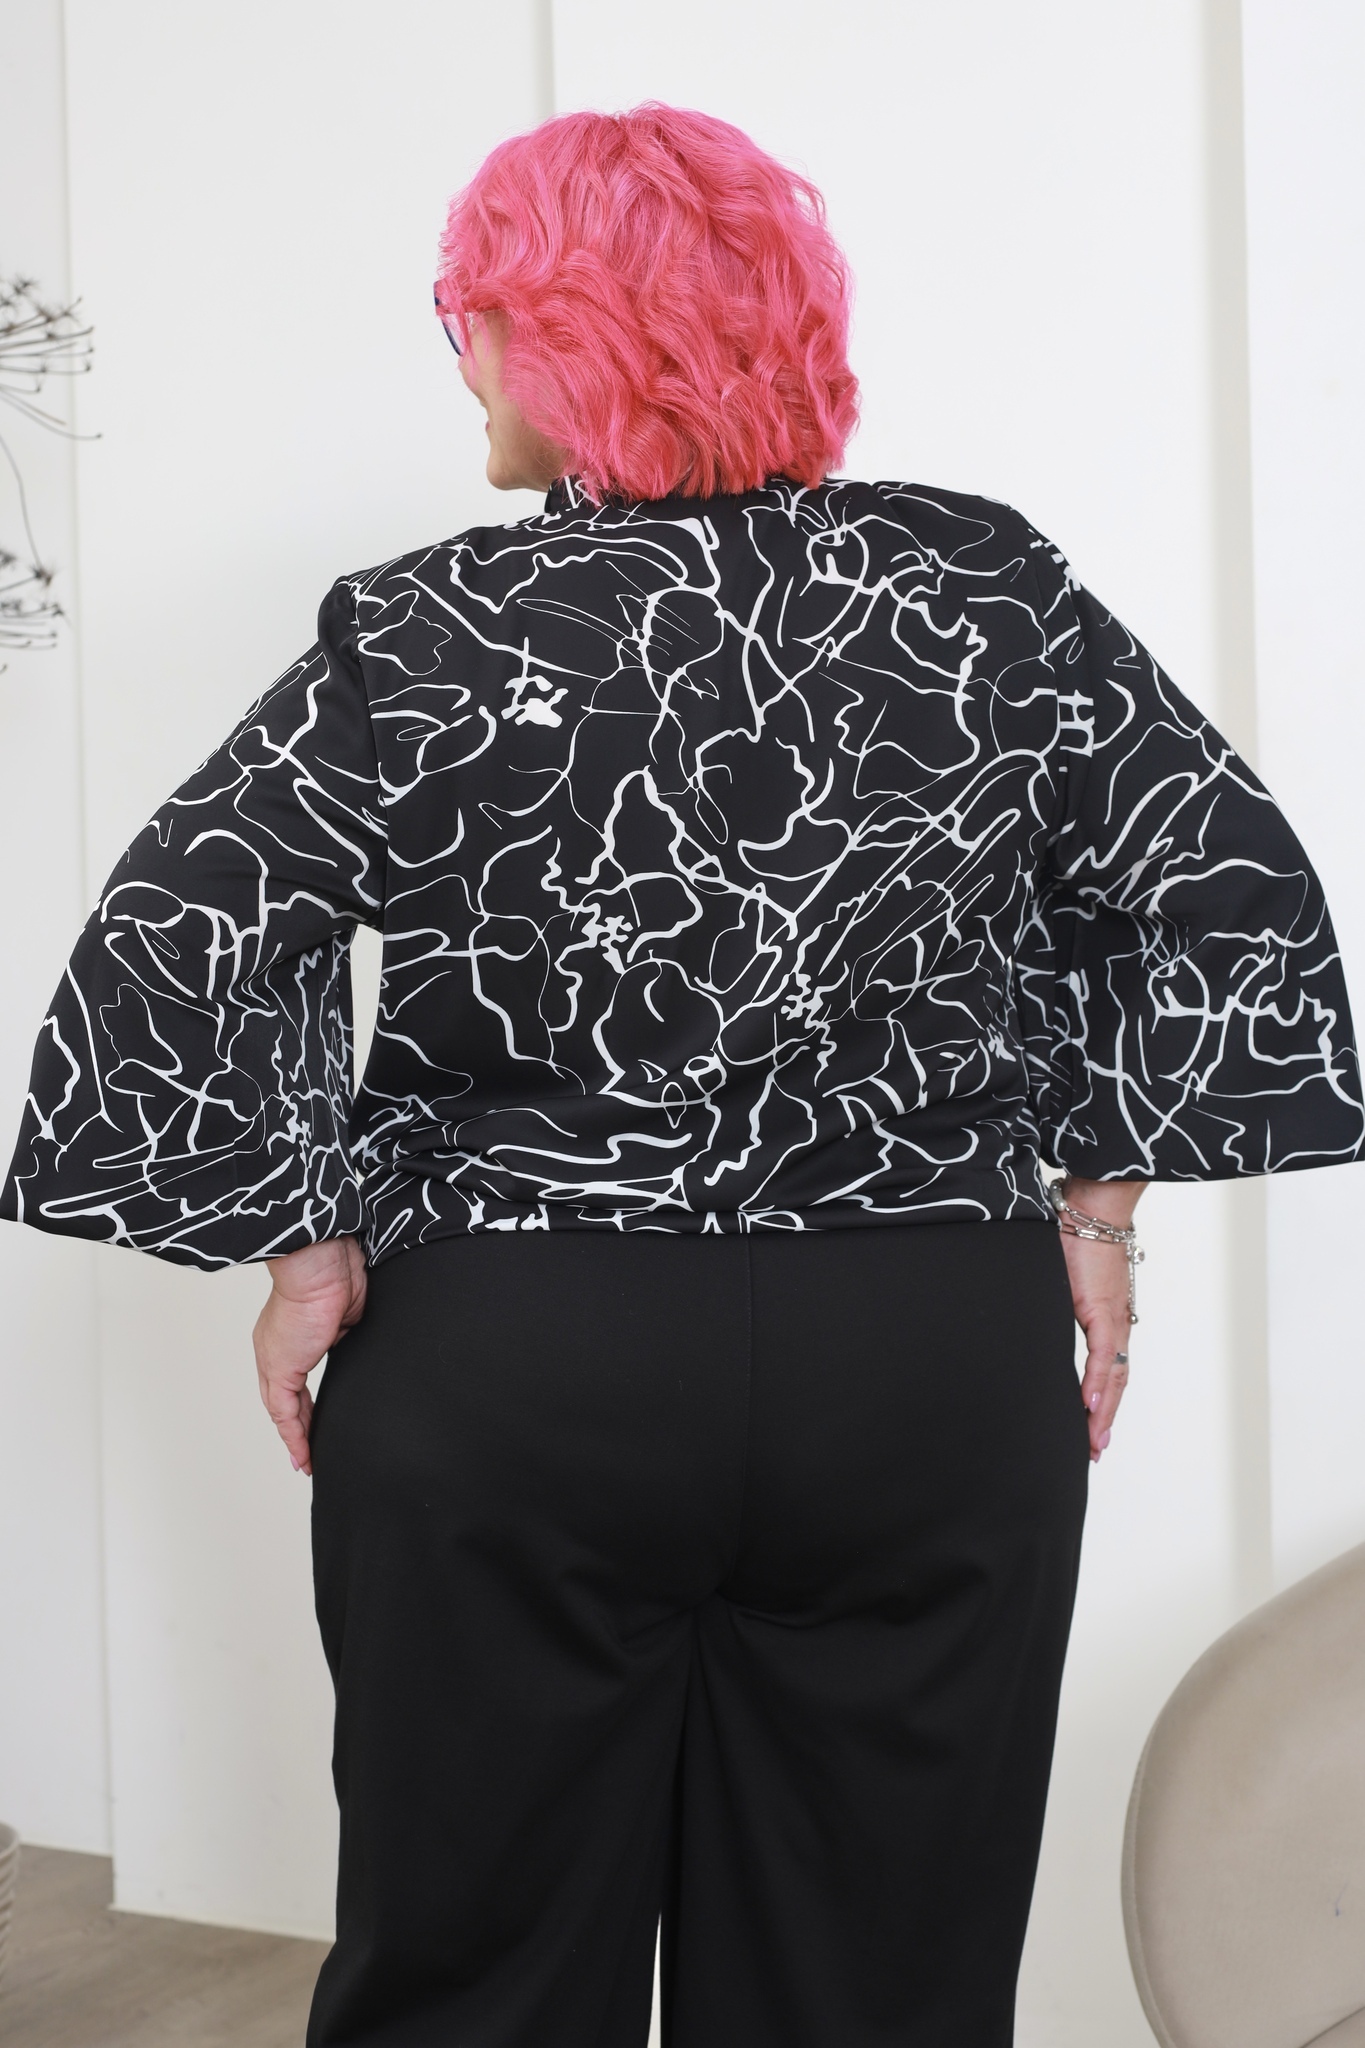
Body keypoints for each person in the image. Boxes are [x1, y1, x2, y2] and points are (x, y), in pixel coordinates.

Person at [2, 104, 1359, 2048]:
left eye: (468, 316)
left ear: (555, 342)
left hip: (518, 1358)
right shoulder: (982, 587)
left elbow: (176, 941)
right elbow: (1224, 893)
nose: (459, 360)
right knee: (874, 1992)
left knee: (474, 1985)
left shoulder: (427, 629)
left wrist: (303, 1244)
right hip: (920, 1356)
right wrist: (1093, 1200)